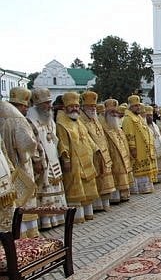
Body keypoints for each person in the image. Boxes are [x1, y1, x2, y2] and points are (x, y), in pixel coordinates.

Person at [0, 87, 40, 236]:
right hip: (19, 165)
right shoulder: (17, 117)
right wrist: (34, 154)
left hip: (4, 167)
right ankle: (26, 233)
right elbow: (27, 144)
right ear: (23, 105)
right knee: (24, 200)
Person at [56, 91, 100, 223]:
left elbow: (86, 137)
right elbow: (62, 143)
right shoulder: (61, 123)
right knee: (76, 187)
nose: (75, 108)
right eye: (71, 106)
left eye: (76, 106)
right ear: (65, 108)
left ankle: (87, 213)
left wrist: (95, 149)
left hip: (86, 158)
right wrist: (66, 159)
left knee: (87, 186)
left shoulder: (78, 121)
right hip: (74, 161)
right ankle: (76, 216)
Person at [26, 87, 67, 228]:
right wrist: (37, 159)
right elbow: (32, 143)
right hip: (42, 160)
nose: (49, 106)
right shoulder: (30, 121)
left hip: (53, 156)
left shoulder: (49, 118)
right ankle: (45, 221)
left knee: (55, 185)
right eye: (45, 103)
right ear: (37, 104)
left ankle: (57, 216)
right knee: (45, 188)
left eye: (49, 102)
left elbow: (53, 137)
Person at [79, 91, 116, 212]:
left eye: (94, 106)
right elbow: (85, 137)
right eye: (90, 106)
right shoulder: (80, 120)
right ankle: (96, 205)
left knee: (105, 179)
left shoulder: (95, 119)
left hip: (103, 153)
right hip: (93, 154)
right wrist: (96, 149)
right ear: (83, 107)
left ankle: (104, 203)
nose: (93, 108)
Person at [121, 95, 156, 194]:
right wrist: (132, 148)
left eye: (138, 105)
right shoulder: (128, 119)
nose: (138, 107)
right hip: (137, 149)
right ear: (130, 107)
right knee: (137, 169)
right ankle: (137, 188)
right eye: (135, 106)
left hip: (144, 148)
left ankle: (146, 187)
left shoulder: (138, 117)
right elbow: (129, 134)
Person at [100, 99, 132, 202]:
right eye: (111, 112)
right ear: (106, 112)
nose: (114, 114)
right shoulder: (102, 124)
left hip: (121, 152)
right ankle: (114, 197)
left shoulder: (116, 123)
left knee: (122, 170)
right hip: (111, 153)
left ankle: (123, 194)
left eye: (115, 111)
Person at [145, 105, 161, 183]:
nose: (150, 117)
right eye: (148, 115)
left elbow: (160, 135)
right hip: (153, 147)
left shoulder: (155, 125)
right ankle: (155, 179)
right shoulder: (144, 125)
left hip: (159, 146)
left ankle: (160, 178)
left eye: (151, 115)